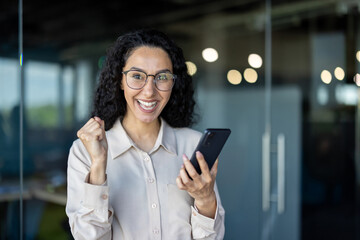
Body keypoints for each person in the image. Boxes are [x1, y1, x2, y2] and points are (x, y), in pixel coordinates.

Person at [65, 29, 225, 240]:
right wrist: (98, 167)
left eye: (162, 77)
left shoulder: (193, 145)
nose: (149, 91)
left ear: (173, 83)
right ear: (119, 81)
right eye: (137, 76)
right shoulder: (83, 152)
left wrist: (205, 199)